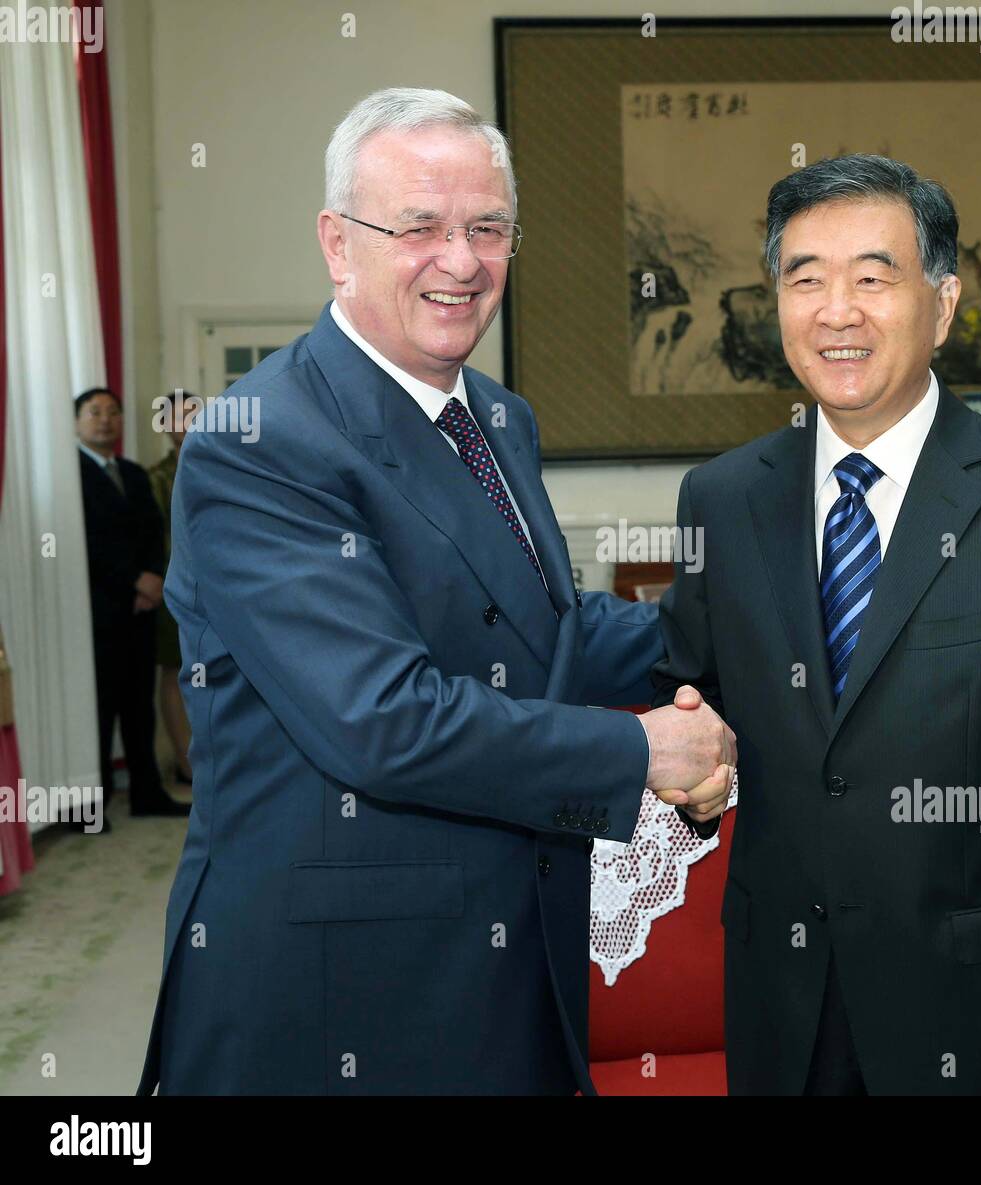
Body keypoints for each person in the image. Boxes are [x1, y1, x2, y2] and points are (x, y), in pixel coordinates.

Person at [138, 87, 733, 1096]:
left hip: (504, 958)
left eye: (487, 227)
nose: (460, 261)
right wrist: (641, 748)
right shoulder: (261, 437)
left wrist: (749, 615)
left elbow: (543, 632)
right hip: (338, 992)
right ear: (338, 243)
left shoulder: (497, 417)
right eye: (419, 226)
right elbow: (380, 719)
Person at [651, 154, 981, 1095]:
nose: (836, 310)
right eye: (804, 278)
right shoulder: (719, 500)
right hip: (785, 1014)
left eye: (872, 277)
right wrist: (698, 782)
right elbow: (703, 709)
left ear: (945, 302)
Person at [75, 387, 189, 828]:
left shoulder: (132, 473)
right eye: (94, 412)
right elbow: (88, 540)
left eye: (113, 412)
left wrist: (153, 578)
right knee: (99, 706)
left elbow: (153, 531)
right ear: (77, 421)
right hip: (100, 607)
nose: (105, 420)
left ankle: (147, 792)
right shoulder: (72, 474)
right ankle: (92, 804)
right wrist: (132, 579)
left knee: (137, 704)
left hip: (143, 607)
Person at [148, 391, 198, 785]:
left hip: (225, 585)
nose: (187, 421)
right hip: (173, 585)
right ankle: (187, 765)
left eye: (193, 412)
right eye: (177, 416)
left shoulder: (229, 461)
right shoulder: (156, 476)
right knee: (174, 670)